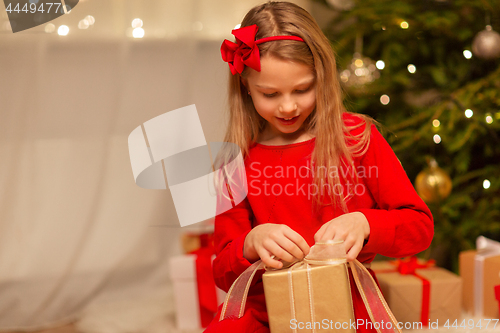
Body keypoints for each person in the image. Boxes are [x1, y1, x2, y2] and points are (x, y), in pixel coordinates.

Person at [204, 1, 434, 332]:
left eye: (302, 89)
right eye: (270, 94)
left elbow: (419, 227)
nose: (287, 106)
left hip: (346, 306)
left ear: (321, 77)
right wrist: (250, 243)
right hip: (267, 310)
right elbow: (223, 274)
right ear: (246, 87)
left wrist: (366, 223)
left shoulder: (357, 138)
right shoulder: (235, 162)